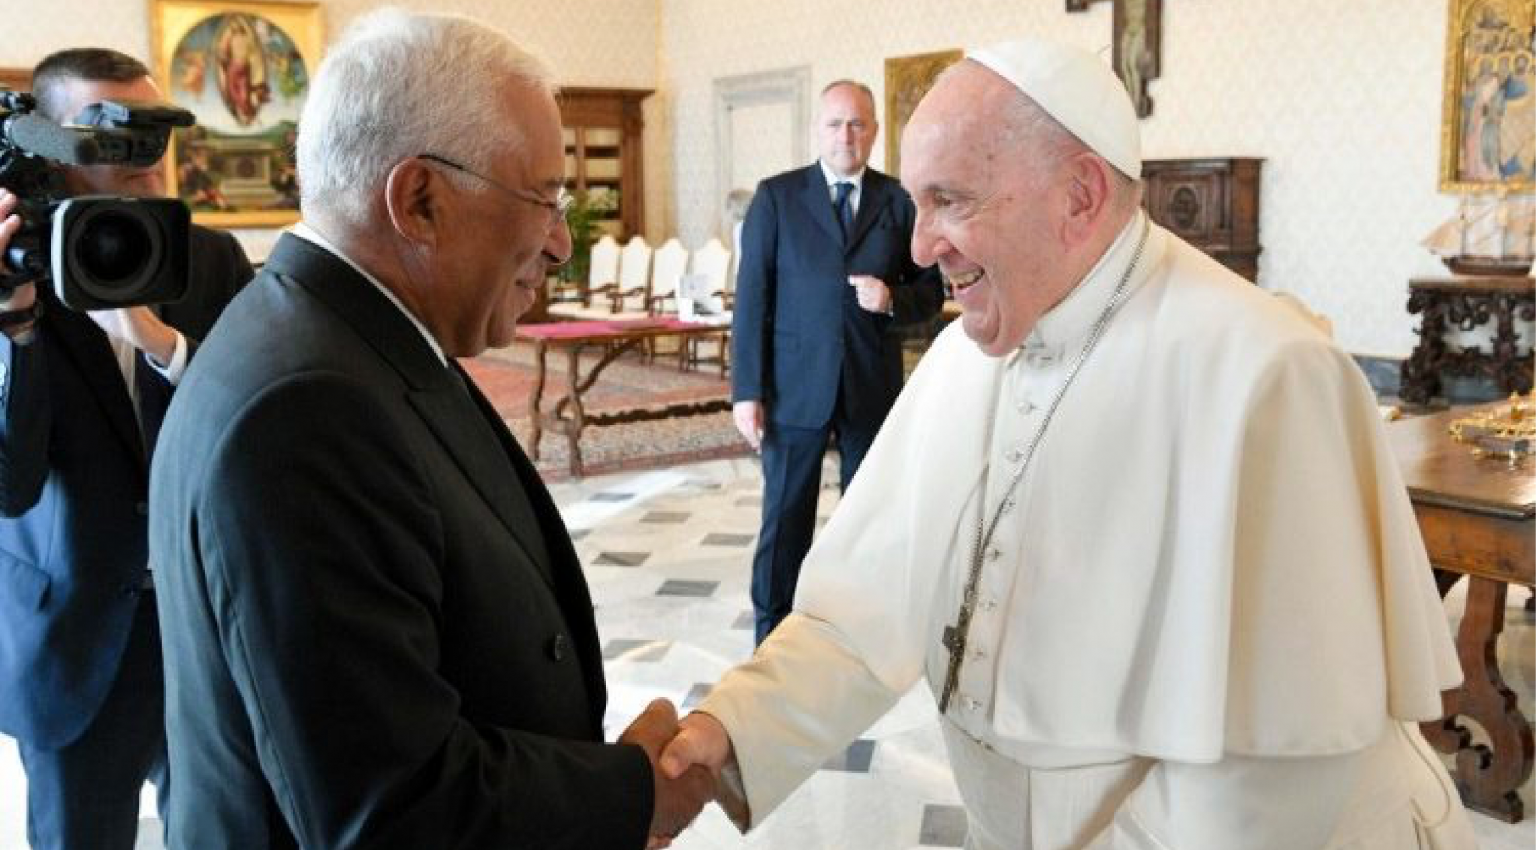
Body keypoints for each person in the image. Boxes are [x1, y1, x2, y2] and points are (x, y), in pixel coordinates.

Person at [660, 39, 1478, 849]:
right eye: (917, 202)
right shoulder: (965, 356)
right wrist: (732, 728)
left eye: (950, 201)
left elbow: (1278, 767)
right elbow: (864, 602)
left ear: (1080, 195)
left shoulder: (1267, 373)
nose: (918, 247)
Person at [148, 10, 710, 848]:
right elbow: (388, 808)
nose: (561, 242)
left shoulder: (344, 335)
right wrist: (633, 796)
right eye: (543, 200)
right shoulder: (305, 410)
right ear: (420, 201)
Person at [0, 48, 252, 850]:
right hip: (71, 639)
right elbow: (10, 485)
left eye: (154, 133)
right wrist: (16, 326)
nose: (144, 158)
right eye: (110, 137)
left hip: (203, 624)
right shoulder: (12, 271)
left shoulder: (210, 260)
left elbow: (264, 435)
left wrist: (161, 343)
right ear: (50, 152)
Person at [731, 79, 943, 644]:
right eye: (834, 123)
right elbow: (752, 300)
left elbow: (931, 292)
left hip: (870, 387)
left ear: (874, 131)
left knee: (869, 521)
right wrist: (747, 391)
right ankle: (770, 638)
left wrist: (892, 298)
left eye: (857, 124)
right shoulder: (776, 198)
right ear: (816, 130)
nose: (845, 135)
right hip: (793, 389)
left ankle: (861, 634)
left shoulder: (899, 201)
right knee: (785, 521)